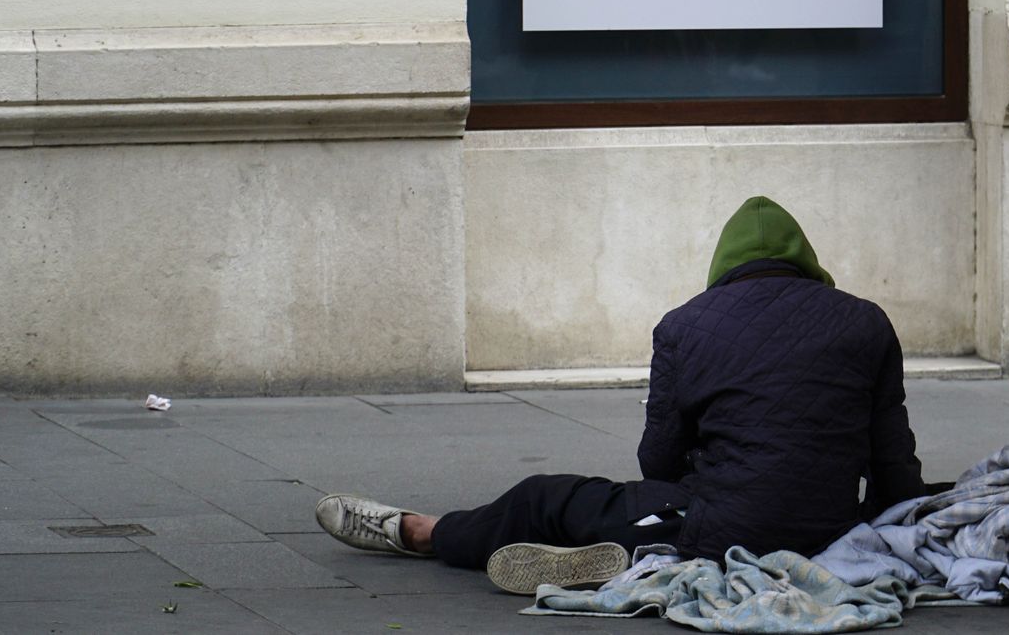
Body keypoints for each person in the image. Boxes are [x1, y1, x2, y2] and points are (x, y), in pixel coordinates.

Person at [316, 196, 926, 595]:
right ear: (807, 262)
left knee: (546, 496)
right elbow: (892, 458)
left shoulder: (685, 325)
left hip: (714, 528)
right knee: (656, 511)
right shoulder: (866, 320)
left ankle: (419, 531)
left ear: (723, 266)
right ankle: (630, 553)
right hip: (831, 530)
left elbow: (657, 460)